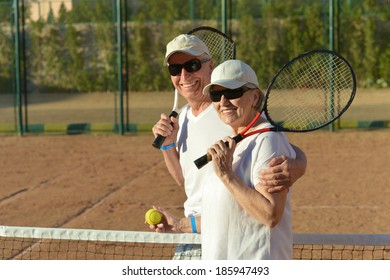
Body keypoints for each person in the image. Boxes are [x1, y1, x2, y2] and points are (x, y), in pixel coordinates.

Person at [150, 34, 306, 259]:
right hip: (196, 231)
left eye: (192, 65)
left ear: (209, 66)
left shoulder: (233, 117)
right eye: (175, 69)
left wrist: (299, 165)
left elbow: (274, 142)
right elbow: (186, 178)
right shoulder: (182, 118)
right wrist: (168, 147)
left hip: (231, 235)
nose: (184, 75)